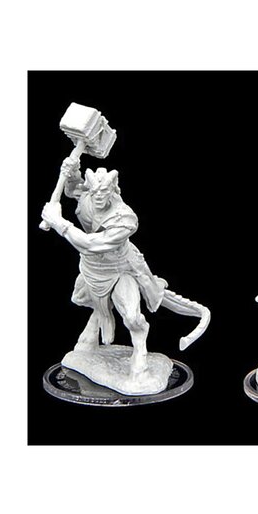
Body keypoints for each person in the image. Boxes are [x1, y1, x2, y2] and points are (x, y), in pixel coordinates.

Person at [41, 157, 168, 374]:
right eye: (95, 192)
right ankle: (92, 331)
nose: (99, 196)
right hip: (92, 269)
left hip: (120, 269)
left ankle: (140, 349)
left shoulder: (125, 219)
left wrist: (58, 223)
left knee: (131, 317)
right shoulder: (88, 197)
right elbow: (73, 189)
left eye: (104, 192)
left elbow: (91, 245)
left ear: (112, 191)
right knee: (88, 300)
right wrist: (72, 172)